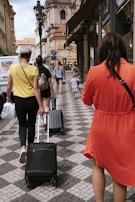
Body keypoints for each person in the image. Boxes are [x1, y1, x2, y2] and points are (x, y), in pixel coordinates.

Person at [82, 32, 135, 202]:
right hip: (126, 126)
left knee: (98, 164)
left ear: (102, 50)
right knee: (120, 172)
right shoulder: (133, 71)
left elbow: (86, 100)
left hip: (101, 125)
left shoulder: (94, 72)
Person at [6, 49, 44, 164]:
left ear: (19, 56)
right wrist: (41, 106)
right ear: (29, 56)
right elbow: (36, 89)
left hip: (19, 101)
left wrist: (8, 98)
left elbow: (9, 86)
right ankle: (31, 148)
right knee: (31, 124)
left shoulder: (13, 68)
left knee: (22, 124)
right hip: (32, 100)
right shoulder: (34, 69)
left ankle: (22, 147)